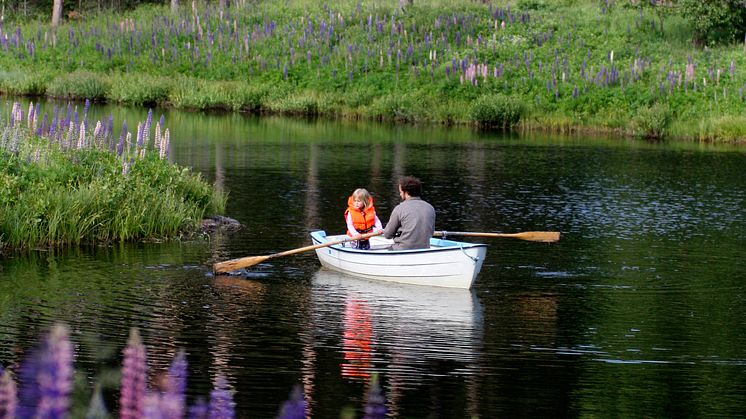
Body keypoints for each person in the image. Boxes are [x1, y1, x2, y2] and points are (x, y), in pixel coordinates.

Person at [383, 176, 435, 250]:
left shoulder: (399, 209)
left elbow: (387, 235)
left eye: (400, 192)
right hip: (425, 249)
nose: (400, 194)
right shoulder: (430, 208)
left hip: (402, 250)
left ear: (406, 193)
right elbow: (431, 232)